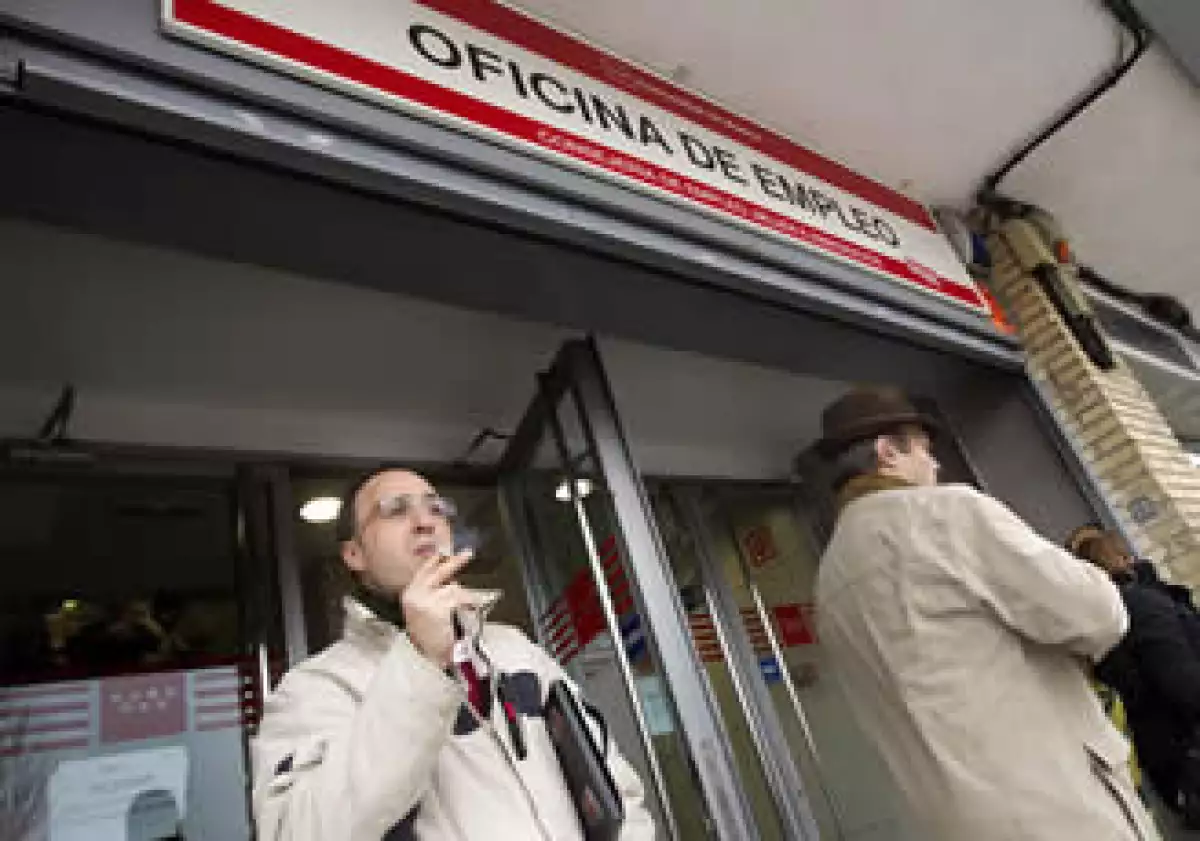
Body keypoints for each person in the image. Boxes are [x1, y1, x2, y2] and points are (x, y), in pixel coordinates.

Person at [813, 386, 1159, 841]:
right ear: (887, 453)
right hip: (1056, 805)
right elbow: (1099, 613)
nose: (934, 465)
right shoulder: (946, 512)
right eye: (924, 449)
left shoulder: (829, 581)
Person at [251, 467, 655, 841]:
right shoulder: (317, 687)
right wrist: (419, 659)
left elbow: (613, 784)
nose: (426, 522)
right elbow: (298, 831)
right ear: (354, 554)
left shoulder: (515, 650)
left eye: (437, 508)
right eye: (395, 511)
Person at [1068, 524, 1200, 834]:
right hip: (1184, 750)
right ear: (1123, 557)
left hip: (1168, 764)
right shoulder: (1140, 604)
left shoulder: (1103, 623)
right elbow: (1183, 683)